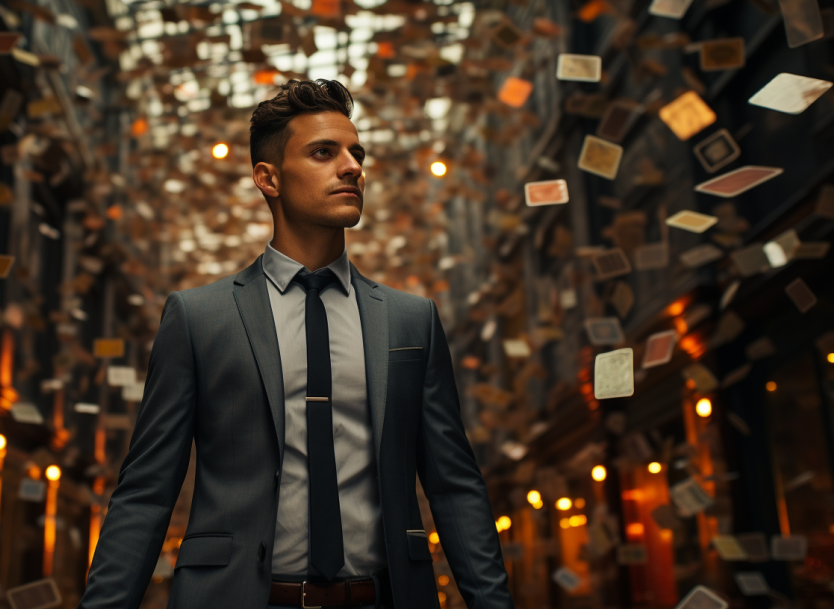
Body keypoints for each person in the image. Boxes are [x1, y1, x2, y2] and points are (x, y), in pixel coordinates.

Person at [79, 79, 513, 609]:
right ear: (269, 178)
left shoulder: (410, 321)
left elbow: (453, 486)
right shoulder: (198, 318)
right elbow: (146, 493)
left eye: (357, 153)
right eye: (324, 153)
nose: (352, 166)